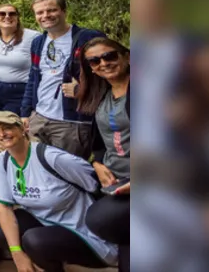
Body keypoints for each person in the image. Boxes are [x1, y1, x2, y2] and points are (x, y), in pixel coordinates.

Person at [0, 111, 118, 272]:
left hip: (84, 233)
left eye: (7, 128)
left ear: (23, 129)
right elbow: (3, 206)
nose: (1, 134)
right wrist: (17, 253)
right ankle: (41, 265)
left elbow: (96, 183)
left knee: (33, 240)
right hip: (45, 223)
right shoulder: (3, 160)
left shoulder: (51, 158)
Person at [21, 0, 106, 159]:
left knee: (66, 176)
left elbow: (111, 72)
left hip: (72, 122)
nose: (45, 16)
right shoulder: (38, 42)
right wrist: (25, 112)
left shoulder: (87, 38)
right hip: (39, 118)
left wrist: (83, 89)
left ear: (64, 11)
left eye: (51, 10)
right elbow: (33, 78)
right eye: (40, 12)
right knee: (40, 170)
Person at [78, 38, 131, 272]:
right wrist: (97, 163)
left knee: (101, 220)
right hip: (115, 182)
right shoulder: (102, 95)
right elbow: (99, 141)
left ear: (126, 56)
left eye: (110, 56)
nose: (104, 63)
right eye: (95, 60)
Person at [0, 4, 40, 168]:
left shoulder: (33, 38)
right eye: (2, 14)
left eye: (12, 14)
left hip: (18, 92)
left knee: (14, 134)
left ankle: (20, 171)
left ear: (17, 18)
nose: (7, 17)